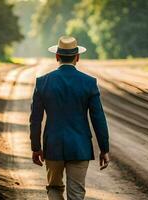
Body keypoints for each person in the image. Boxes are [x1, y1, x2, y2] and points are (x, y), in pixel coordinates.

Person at [29, 36, 110, 200]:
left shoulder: (42, 82)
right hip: (80, 147)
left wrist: (36, 147)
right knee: (77, 193)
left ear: (57, 56)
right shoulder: (89, 83)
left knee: (54, 188)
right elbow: (98, 118)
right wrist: (104, 149)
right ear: (77, 57)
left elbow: (35, 119)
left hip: (53, 146)